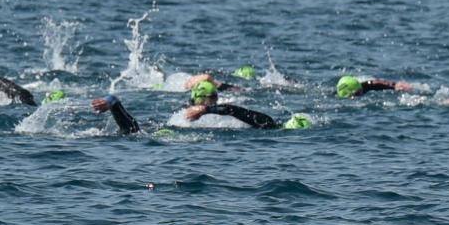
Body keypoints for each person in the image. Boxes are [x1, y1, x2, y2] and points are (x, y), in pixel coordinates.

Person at [92, 82, 308, 134]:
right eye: (206, 99)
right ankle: (114, 102)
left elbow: (261, 120)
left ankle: (114, 102)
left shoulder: (225, 114)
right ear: (193, 101)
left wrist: (206, 110)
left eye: (214, 98)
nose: (211, 101)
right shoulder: (180, 117)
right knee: (133, 134)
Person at [335, 75, 413, 99]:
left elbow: (372, 84)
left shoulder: (363, 87)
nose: (361, 94)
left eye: (361, 90)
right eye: (358, 93)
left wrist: (394, 85)